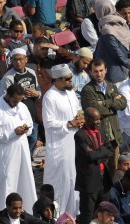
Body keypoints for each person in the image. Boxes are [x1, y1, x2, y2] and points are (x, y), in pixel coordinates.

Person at [0, 84, 37, 210]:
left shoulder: (22, 107)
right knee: (8, 184)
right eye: (15, 100)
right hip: (6, 156)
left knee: (26, 181)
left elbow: (30, 125)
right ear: (8, 96)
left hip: (23, 152)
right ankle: (6, 216)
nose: (17, 103)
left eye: (19, 100)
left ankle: (28, 212)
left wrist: (25, 129)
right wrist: (13, 133)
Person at [42, 62, 83, 217]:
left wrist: (80, 118)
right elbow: (49, 123)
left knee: (74, 178)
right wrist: (69, 123)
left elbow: (78, 110)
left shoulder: (71, 93)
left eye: (71, 78)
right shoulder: (50, 97)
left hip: (75, 141)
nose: (70, 81)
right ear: (57, 80)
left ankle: (72, 214)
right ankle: (58, 215)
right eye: (67, 79)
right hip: (60, 144)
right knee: (62, 181)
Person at [75, 106, 114, 224]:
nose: (98, 122)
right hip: (89, 181)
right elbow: (89, 156)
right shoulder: (80, 135)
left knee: (104, 210)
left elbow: (110, 150)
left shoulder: (100, 131)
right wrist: (102, 151)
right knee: (88, 213)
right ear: (86, 119)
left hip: (103, 178)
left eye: (99, 119)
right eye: (95, 119)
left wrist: (97, 152)